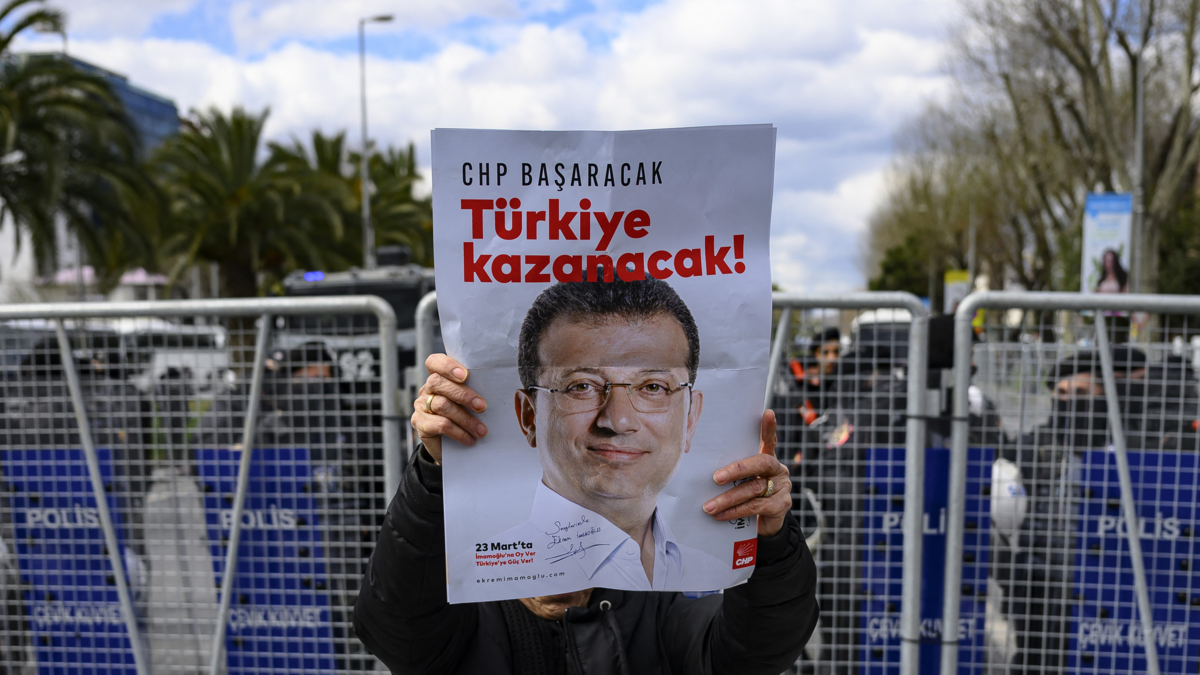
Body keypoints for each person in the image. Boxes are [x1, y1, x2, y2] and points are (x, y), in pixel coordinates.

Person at [353, 354, 820, 674]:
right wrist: (435, 471)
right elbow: (395, 627)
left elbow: (751, 653)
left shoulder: (656, 603)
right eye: (579, 388)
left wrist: (770, 542)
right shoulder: (468, 606)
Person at [472, 279, 727, 590]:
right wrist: (429, 477)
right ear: (530, 417)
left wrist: (773, 546)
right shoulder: (472, 577)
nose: (618, 421)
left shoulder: (722, 574)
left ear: (690, 418)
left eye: (653, 387)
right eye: (581, 386)